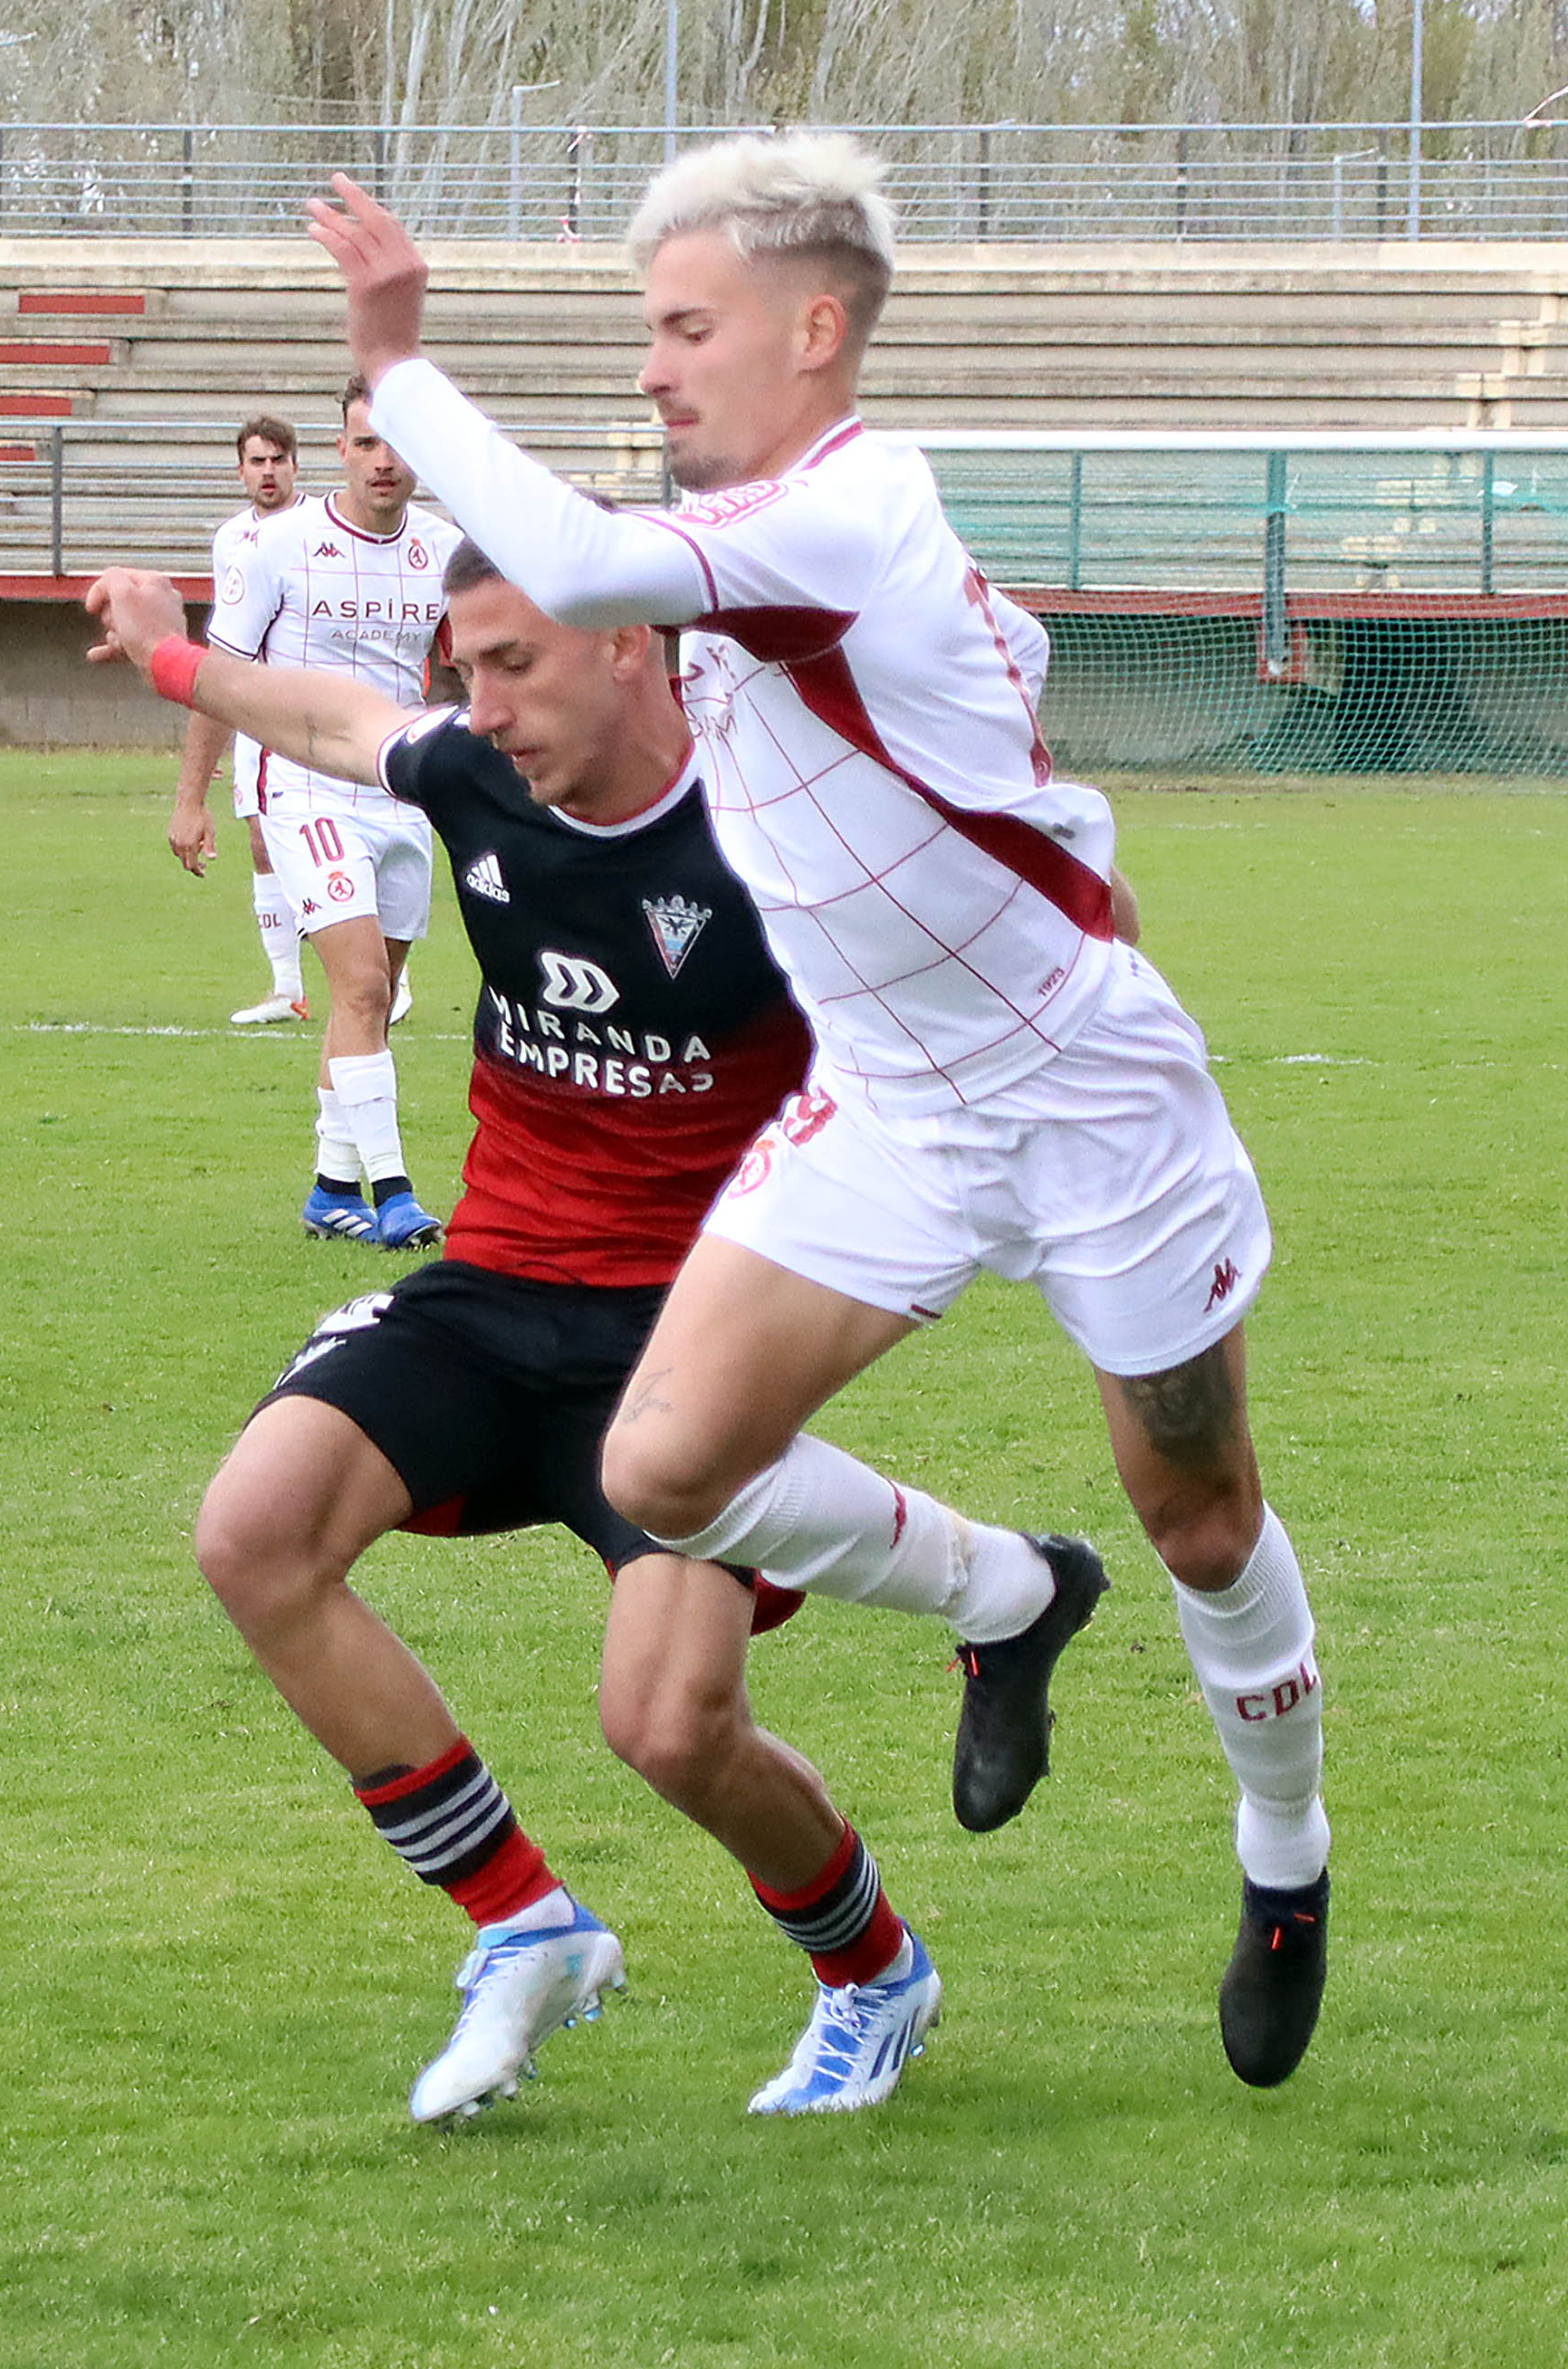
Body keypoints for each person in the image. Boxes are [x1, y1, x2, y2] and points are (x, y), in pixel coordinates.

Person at [311, 136, 1334, 2086]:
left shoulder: (852, 507)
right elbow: (624, 613)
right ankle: (1008, 1596)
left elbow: (600, 564)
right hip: (890, 1099)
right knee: (668, 1466)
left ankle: (1283, 1850)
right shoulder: (775, 529)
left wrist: (401, 364)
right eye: (645, 329)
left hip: (1084, 1087)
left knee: (1200, 1512)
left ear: (816, 326)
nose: (654, 368)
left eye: (685, 327)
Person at [90, 540, 1076, 2120]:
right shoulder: (478, 777)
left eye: (510, 665)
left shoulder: (783, 834)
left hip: (690, 1341)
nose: (474, 708)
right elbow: (343, 722)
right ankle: (521, 1925)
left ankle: (871, 1973)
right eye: (461, 666)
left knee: (667, 1727)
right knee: (251, 1533)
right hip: (488, 1289)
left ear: (630, 648)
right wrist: (168, 657)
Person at [187, 379, 459, 1251]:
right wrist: (192, 798)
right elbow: (216, 675)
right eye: (368, 442)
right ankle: (394, 1193)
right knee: (363, 985)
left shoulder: (444, 554)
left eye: (400, 444)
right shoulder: (280, 547)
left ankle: (329, 1187)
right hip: (301, 787)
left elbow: (477, 668)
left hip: (401, 795)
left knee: (366, 1005)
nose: (385, 460)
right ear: (340, 449)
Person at [172, 417, 308, 1025]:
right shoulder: (231, 540)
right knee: (260, 841)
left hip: (310, 702)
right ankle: (288, 988)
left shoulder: (318, 527)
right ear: (241, 471)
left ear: (296, 464)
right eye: (257, 462)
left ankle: (395, 975)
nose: (269, 471)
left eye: (278, 459)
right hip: (253, 705)